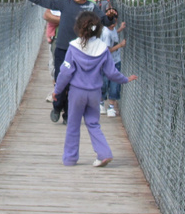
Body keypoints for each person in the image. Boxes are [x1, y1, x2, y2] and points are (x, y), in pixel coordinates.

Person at [53, 11, 136, 167]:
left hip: (77, 92)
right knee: (93, 123)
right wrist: (125, 79)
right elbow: (111, 72)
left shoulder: (73, 47)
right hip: (94, 93)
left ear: (78, 28)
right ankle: (104, 153)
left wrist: (57, 91)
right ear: (98, 29)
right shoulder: (103, 49)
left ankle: (70, 158)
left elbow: (65, 72)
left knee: (73, 124)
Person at [10, 0, 97, 124]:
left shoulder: (90, 5)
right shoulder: (64, 2)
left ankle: (68, 114)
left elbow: (103, 20)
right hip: (62, 47)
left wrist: (110, 18)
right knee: (61, 80)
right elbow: (43, 1)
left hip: (80, 50)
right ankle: (57, 107)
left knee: (75, 83)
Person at [99, 8, 126, 117]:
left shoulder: (111, 28)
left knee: (115, 84)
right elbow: (107, 51)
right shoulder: (105, 33)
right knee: (104, 83)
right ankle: (100, 104)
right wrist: (120, 45)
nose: (113, 25)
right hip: (106, 62)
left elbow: (113, 33)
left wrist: (120, 29)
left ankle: (111, 107)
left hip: (116, 61)